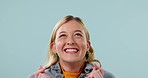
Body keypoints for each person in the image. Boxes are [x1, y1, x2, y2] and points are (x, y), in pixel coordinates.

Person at [28, 15, 115, 78]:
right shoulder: (35, 77)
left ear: (88, 45)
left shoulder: (107, 77)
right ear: (53, 47)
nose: (70, 42)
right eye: (63, 35)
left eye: (77, 35)